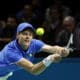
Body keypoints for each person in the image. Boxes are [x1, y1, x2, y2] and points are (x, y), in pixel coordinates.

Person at [0, 22, 69, 80]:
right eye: (24, 34)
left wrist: (62, 50)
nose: (28, 37)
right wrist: (49, 59)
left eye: (30, 34)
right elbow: (33, 70)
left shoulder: (34, 43)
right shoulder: (11, 52)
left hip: (5, 74)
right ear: (17, 35)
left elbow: (53, 48)